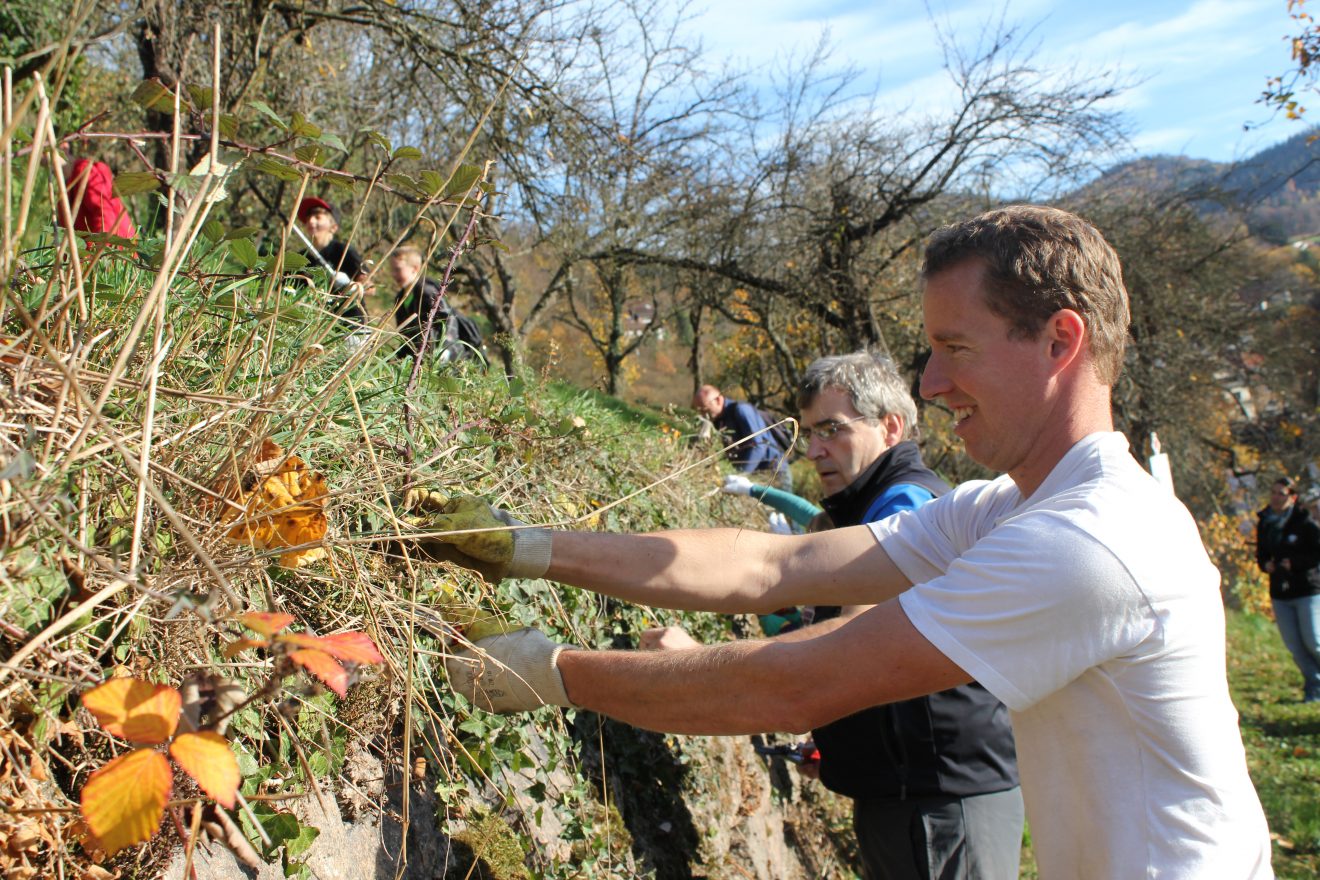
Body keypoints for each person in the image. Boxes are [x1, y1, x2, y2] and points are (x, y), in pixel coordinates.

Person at [426, 205, 1273, 878]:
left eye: (955, 349)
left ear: (1060, 341)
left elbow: (799, 684)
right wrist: (525, 546)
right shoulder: (1007, 508)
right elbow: (776, 564)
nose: (933, 383)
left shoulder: (1093, 540)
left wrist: (551, 674)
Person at [655, 351, 1022, 880]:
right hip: (914, 795)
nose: (814, 449)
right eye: (808, 432)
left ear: (890, 426)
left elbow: (848, 648)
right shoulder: (870, 505)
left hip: (938, 804)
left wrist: (696, 662)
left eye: (831, 428)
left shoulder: (906, 506)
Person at [1256, 476, 1320, 703]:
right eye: (1273, 492)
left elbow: (1316, 553)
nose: (1275, 497)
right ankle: (1314, 687)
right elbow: (1261, 554)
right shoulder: (1265, 521)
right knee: (1295, 645)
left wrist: (1295, 563)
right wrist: (1266, 565)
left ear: (1292, 497)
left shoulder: (1305, 522)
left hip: (1307, 590)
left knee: (1314, 641)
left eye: (1280, 493)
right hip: (1280, 592)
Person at [692, 384, 792, 490]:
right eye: (700, 411)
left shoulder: (742, 410)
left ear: (718, 400)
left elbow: (758, 446)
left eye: (705, 409)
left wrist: (740, 476)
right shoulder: (719, 420)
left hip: (775, 474)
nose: (703, 414)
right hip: (757, 475)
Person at [296, 196, 371, 334]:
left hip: (351, 326)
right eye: (308, 218)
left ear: (333, 227)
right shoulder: (301, 258)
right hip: (315, 330)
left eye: (318, 217)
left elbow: (370, 287)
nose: (311, 221)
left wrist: (349, 284)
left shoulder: (344, 251)